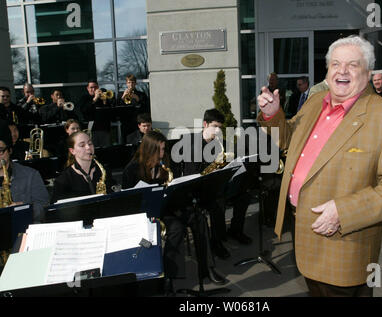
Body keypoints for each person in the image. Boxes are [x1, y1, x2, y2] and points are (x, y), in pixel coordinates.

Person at [257, 35, 382, 297]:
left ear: (368, 72)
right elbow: (285, 140)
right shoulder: (313, 104)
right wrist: (273, 115)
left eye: (353, 65)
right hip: (303, 232)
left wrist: (343, 211)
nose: (342, 71)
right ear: (327, 70)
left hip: (344, 242)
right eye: (335, 64)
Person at [122, 131, 226, 293]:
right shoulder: (132, 169)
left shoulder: (166, 164)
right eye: (158, 150)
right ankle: (169, 277)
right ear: (148, 149)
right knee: (177, 229)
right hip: (147, 214)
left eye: (164, 149)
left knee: (198, 218)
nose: (162, 154)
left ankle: (207, 268)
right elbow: (128, 200)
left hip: (170, 206)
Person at [176, 109, 252, 260]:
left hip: (217, 185)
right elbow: (192, 175)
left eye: (220, 127)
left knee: (244, 194)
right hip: (197, 190)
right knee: (218, 202)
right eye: (215, 126)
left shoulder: (220, 144)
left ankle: (235, 230)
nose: (218, 131)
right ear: (205, 124)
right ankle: (216, 242)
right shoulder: (191, 143)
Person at [0, 122, 49, 223]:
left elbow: (45, 209)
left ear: (9, 150)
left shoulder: (31, 175)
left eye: (0, 150)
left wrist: (24, 207)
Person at [51, 131, 115, 203]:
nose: (88, 147)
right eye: (82, 145)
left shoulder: (104, 170)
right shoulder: (63, 180)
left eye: (90, 143)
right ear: (72, 151)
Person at [78, 80, 114, 147]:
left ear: (98, 87)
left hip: (104, 129)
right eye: (91, 87)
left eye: (95, 87)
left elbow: (110, 113)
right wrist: (94, 99)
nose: (93, 89)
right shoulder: (84, 98)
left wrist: (104, 101)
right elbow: (84, 110)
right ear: (87, 88)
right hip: (92, 130)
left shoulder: (103, 97)